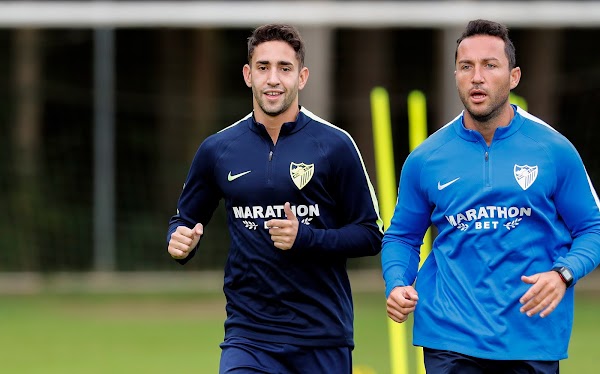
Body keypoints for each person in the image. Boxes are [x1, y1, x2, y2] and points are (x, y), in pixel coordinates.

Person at [381, 19, 600, 373]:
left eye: (490, 65)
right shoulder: (426, 158)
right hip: (449, 336)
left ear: (513, 77)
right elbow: (402, 236)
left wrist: (564, 274)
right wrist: (396, 283)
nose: (476, 77)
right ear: (456, 75)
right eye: (466, 66)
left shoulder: (553, 150)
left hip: (531, 336)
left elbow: (593, 227)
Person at [167, 24, 383, 373]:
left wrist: (306, 238)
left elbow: (371, 234)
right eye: (263, 67)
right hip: (249, 335)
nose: (273, 79)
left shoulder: (335, 145)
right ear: (247, 75)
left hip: (322, 335)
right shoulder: (218, 150)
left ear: (302, 77)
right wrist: (178, 242)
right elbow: (183, 221)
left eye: (285, 68)